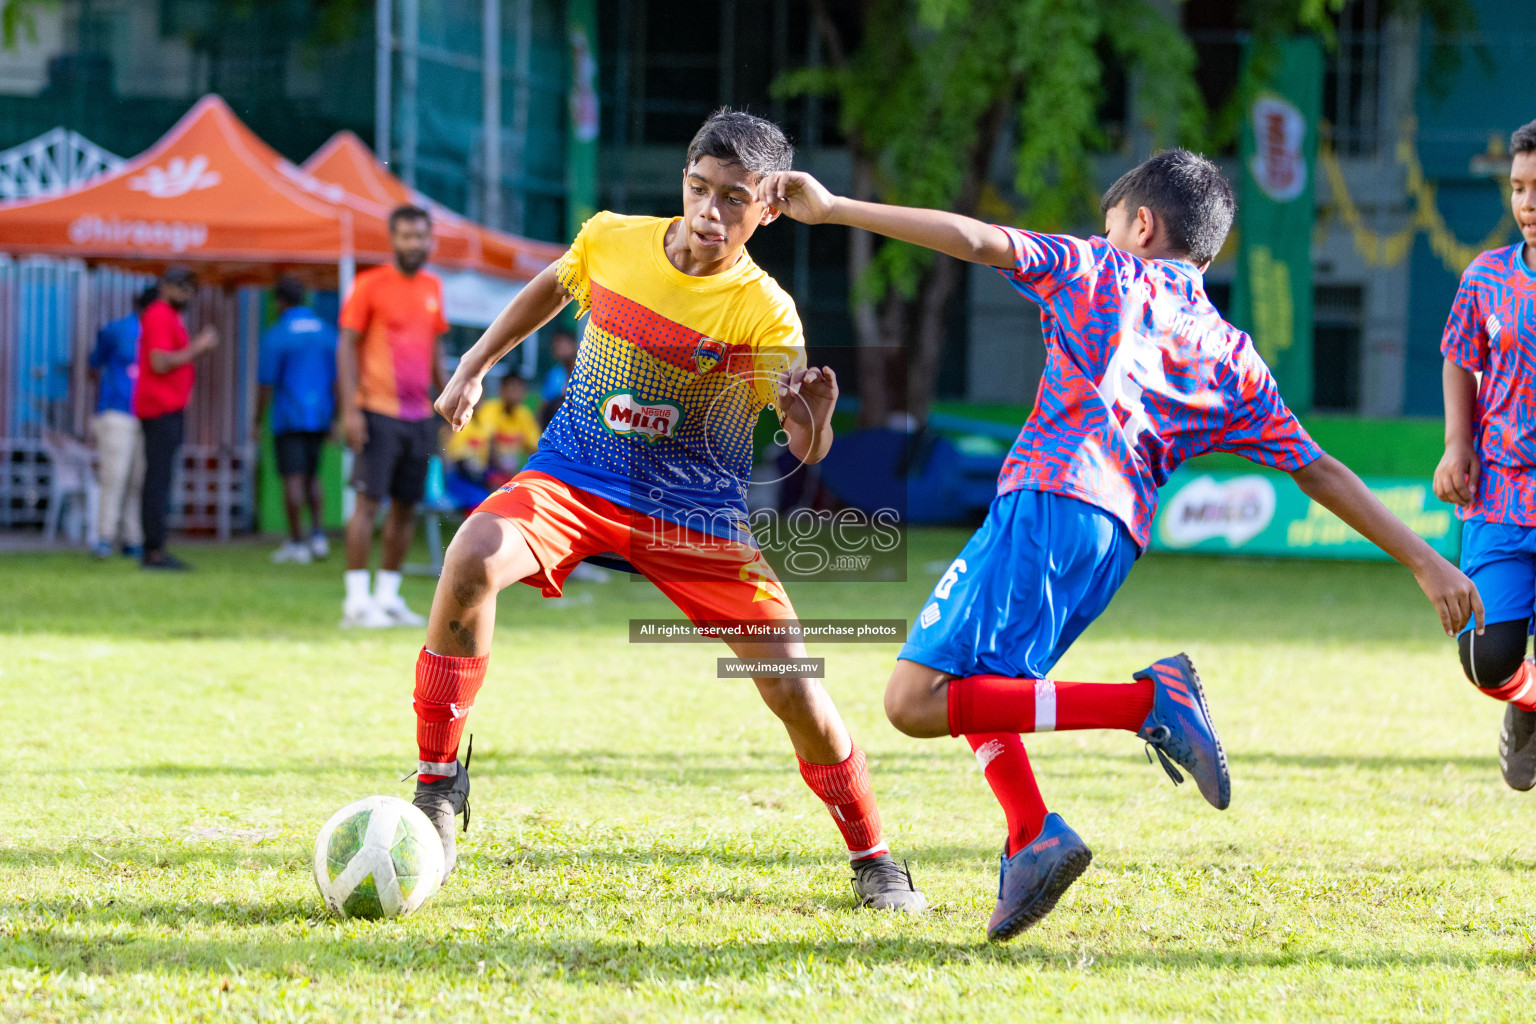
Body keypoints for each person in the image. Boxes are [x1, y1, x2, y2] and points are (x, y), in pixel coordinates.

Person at [756, 149, 1483, 939]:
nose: (1104, 232)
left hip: (1050, 498)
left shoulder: (1099, 268)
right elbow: (1320, 472)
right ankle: (1032, 835)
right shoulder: (1232, 354)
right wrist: (1426, 558)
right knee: (984, 683)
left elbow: (973, 238)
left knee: (912, 701)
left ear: (1141, 224)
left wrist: (835, 209)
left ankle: (1148, 700)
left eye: (1112, 223)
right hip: (1114, 541)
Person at [407, 109, 926, 912]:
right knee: (473, 552)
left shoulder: (766, 313)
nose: (711, 213)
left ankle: (875, 856)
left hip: (695, 514)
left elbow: (803, 447)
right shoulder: (613, 238)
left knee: (791, 682)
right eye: (699, 189)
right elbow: (557, 281)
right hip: (576, 478)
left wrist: (814, 415)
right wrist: (475, 363)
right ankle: (438, 783)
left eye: (734, 199)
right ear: (683, 179)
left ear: (771, 209)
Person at [1433, 117, 1536, 792]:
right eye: (1518, 187)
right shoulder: (1487, 276)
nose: (1527, 203)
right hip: (1499, 491)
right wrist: (1456, 443)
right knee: (1487, 658)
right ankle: (1529, 705)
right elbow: (1459, 359)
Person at [336, 204, 449, 627]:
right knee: (368, 505)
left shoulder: (434, 287)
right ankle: (356, 602)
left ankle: (387, 598)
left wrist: (451, 400)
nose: (414, 244)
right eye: (406, 236)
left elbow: (436, 351)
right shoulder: (369, 285)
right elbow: (346, 346)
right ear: (392, 239)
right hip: (377, 410)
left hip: (420, 417)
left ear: (429, 239)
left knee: (406, 507)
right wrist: (350, 410)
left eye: (420, 236)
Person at [135, 267, 218, 571]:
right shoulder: (159, 314)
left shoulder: (167, 317)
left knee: (160, 479)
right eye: (183, 288)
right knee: (157, 480)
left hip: (166, 408)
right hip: (159, 409)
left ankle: (155, 547)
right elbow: (159, 362)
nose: (188, 295)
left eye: (191, 289)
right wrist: (198, 348)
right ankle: (154, 551)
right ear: (167, 287)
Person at [258, 275, 338, 565]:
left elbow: (265, 383)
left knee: (293, 479)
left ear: (280, 301)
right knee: (313, 477)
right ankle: (318, 536)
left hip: (289, 416)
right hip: (320, 416)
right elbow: (338, 380)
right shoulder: (327, 333)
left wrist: (257, 421)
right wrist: (336, 416)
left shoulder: (277, 334)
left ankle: (296, 541)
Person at [88, 285, 156, 559]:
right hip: (117, 412)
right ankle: (104, 537)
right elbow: (94, 364)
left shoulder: (159, 332)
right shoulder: (117, 330)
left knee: (138, 479)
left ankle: (133, 538)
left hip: (147, 414)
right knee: (113, 476)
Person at [443, 369, 540, 510]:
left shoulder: (524, 415)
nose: (516, 393)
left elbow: (535, 450)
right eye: (512, 388)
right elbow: (487, 445)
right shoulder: (488, 411)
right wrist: (501, 477)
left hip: (497, 475)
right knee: (493, 502)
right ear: (502, 390)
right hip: (483, 474)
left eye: (520, 388)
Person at [537, 327, 578, 429]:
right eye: (557, 345)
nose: (560, 348)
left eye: (564, 343)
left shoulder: (585, 369)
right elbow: (544, 405)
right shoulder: (554, 374)